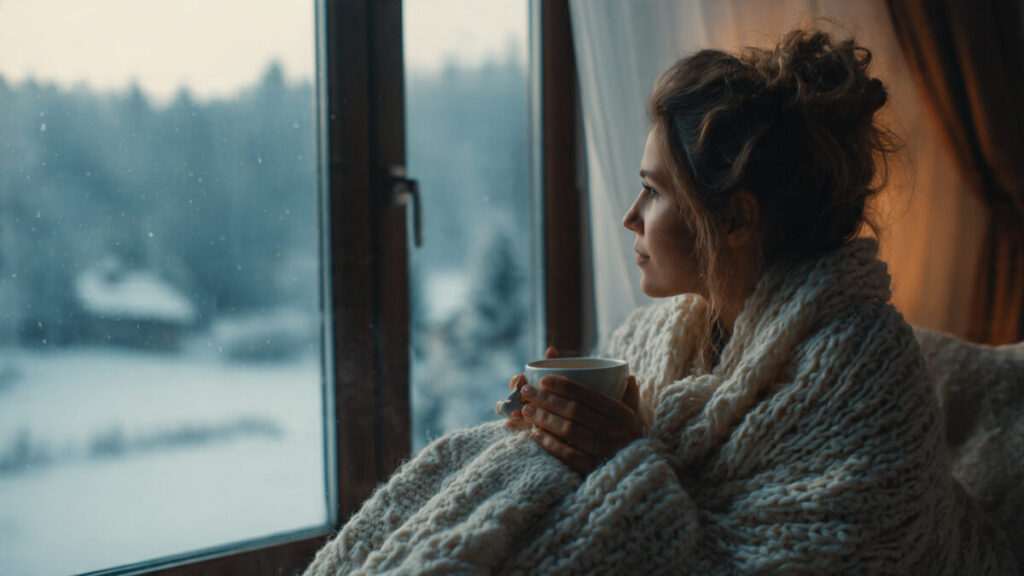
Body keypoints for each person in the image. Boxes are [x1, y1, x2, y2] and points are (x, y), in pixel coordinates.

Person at [303, 29, 1018, 575]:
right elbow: (649, 470)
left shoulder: (863, 367)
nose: (630, 217)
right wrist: (556, 428)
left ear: (735, 219)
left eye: (653, 189)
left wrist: (622, 459)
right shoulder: (659, 336)